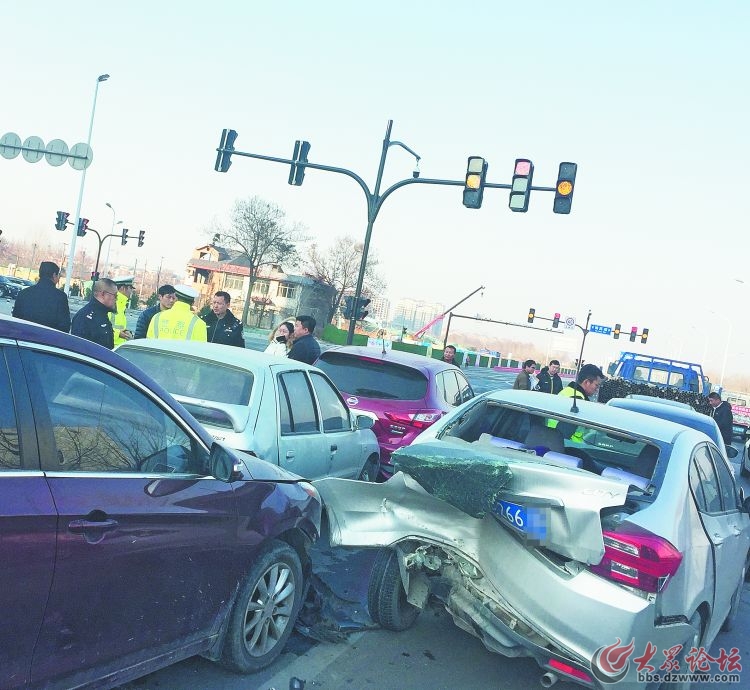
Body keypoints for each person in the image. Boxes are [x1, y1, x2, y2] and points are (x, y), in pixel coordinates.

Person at [12, 261, 70, 332]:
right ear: (54, 275)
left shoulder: (23, 293)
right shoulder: (60, 297)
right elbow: (65, 327)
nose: (58, 279)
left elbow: (15, 320)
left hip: (24, 338)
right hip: (47, 340)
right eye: (58, 275)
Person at [71, 278, 117, 349]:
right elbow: (79, 349)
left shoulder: (102, 315)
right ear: (103, 294)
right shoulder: (85, 318)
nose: (116, 299)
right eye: (115, 295)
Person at [109, 276, 135, 346]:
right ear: (123, 288)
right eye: (130, 288)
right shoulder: (112, 304)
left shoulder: (121, 304)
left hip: (116, 346)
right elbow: (101, 327)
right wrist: (118, 334)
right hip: (109, 346)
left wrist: (125, 331)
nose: (131, 291)